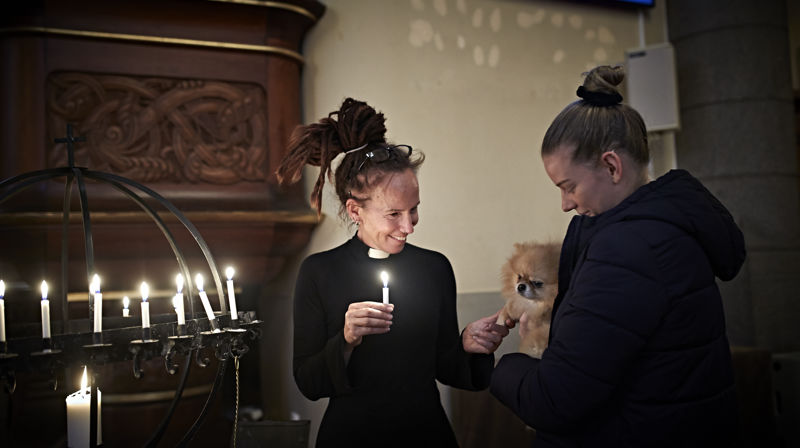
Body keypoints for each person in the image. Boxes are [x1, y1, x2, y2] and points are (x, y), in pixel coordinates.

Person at [490, 65, 746, 447]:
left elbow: (556, 399)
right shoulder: (661, 226)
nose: (564, 204)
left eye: (568, 186)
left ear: (611, 165)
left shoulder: (631, 248)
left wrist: (502, 367)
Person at [276, 97, 509, 447]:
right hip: (352, 436)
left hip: (425, 433)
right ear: (355, 210)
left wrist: (467, 346)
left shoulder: (434, 267)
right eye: (394, 214)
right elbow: (309, 383)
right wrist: (347, 340)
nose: (409, 226)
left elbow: (445, 366)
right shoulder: (319, 272)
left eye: (414, 210)